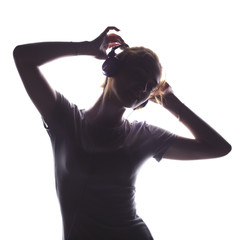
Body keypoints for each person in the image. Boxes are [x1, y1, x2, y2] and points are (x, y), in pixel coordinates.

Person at [13, 26, 231, 240]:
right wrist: (86, 48)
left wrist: (172, 103)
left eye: (150, 86)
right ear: (111, 67)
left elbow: (219, 147)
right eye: (138, 75)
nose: (142, 89)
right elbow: (23, 57)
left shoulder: (144, 136)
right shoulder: (66, 119)